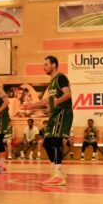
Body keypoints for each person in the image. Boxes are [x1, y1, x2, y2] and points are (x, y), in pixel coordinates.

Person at [24, 56, 73, 186]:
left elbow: (68, 94)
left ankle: (58, 175)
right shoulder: (52, 82)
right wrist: (32, 105)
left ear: (54, 65)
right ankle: (56, 172)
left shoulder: (61, 78)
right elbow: (47, 100)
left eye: (46, 64)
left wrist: (59, 100)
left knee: (55, 141)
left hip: (63, 112)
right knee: (46, 142)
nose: (44, 67)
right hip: (54, 114)